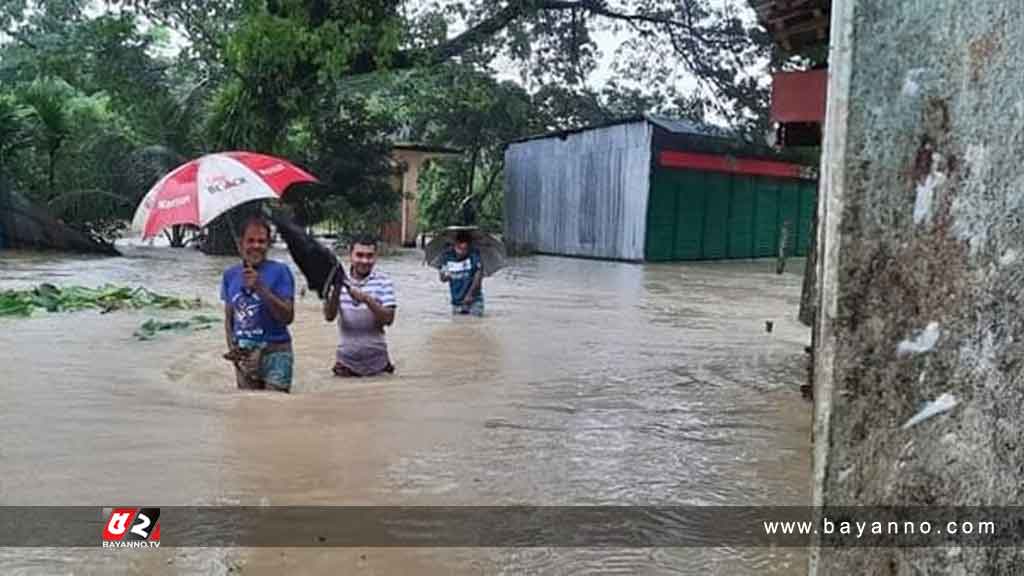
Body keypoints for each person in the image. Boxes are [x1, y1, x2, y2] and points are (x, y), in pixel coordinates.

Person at [221, 216, 296, 392]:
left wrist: (261, 288)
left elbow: (288, 317)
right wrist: (234, 352)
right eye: (251, 241)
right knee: (248, 411)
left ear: (269, 244)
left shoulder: (281, 272)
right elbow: (229, 319)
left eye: (261, 241)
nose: (256, 246)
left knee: (275, 409)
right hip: (244, 354)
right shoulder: (230, 275)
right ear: (241, 243)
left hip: (276, 353)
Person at [323, 234, 397, 377]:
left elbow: (389, 319)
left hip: (379, 362)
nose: (364, 260)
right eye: (359, 255)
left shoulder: (384, 282)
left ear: (376, 257)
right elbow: (329, 317)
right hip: (345, 363)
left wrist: (366, 299)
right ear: (350, 256)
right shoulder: (337, 281)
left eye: (369, 256)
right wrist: (337, 289)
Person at [439, 230, 484, 316]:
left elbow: (478, 278)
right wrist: (444, 275)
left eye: (465, 249)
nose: (462, 252)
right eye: (459, 249)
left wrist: (469, 295)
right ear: (455, 245)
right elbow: (442, 278)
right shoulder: (447, 257)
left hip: (473, 301)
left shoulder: (474, 256)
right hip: (456, 301)